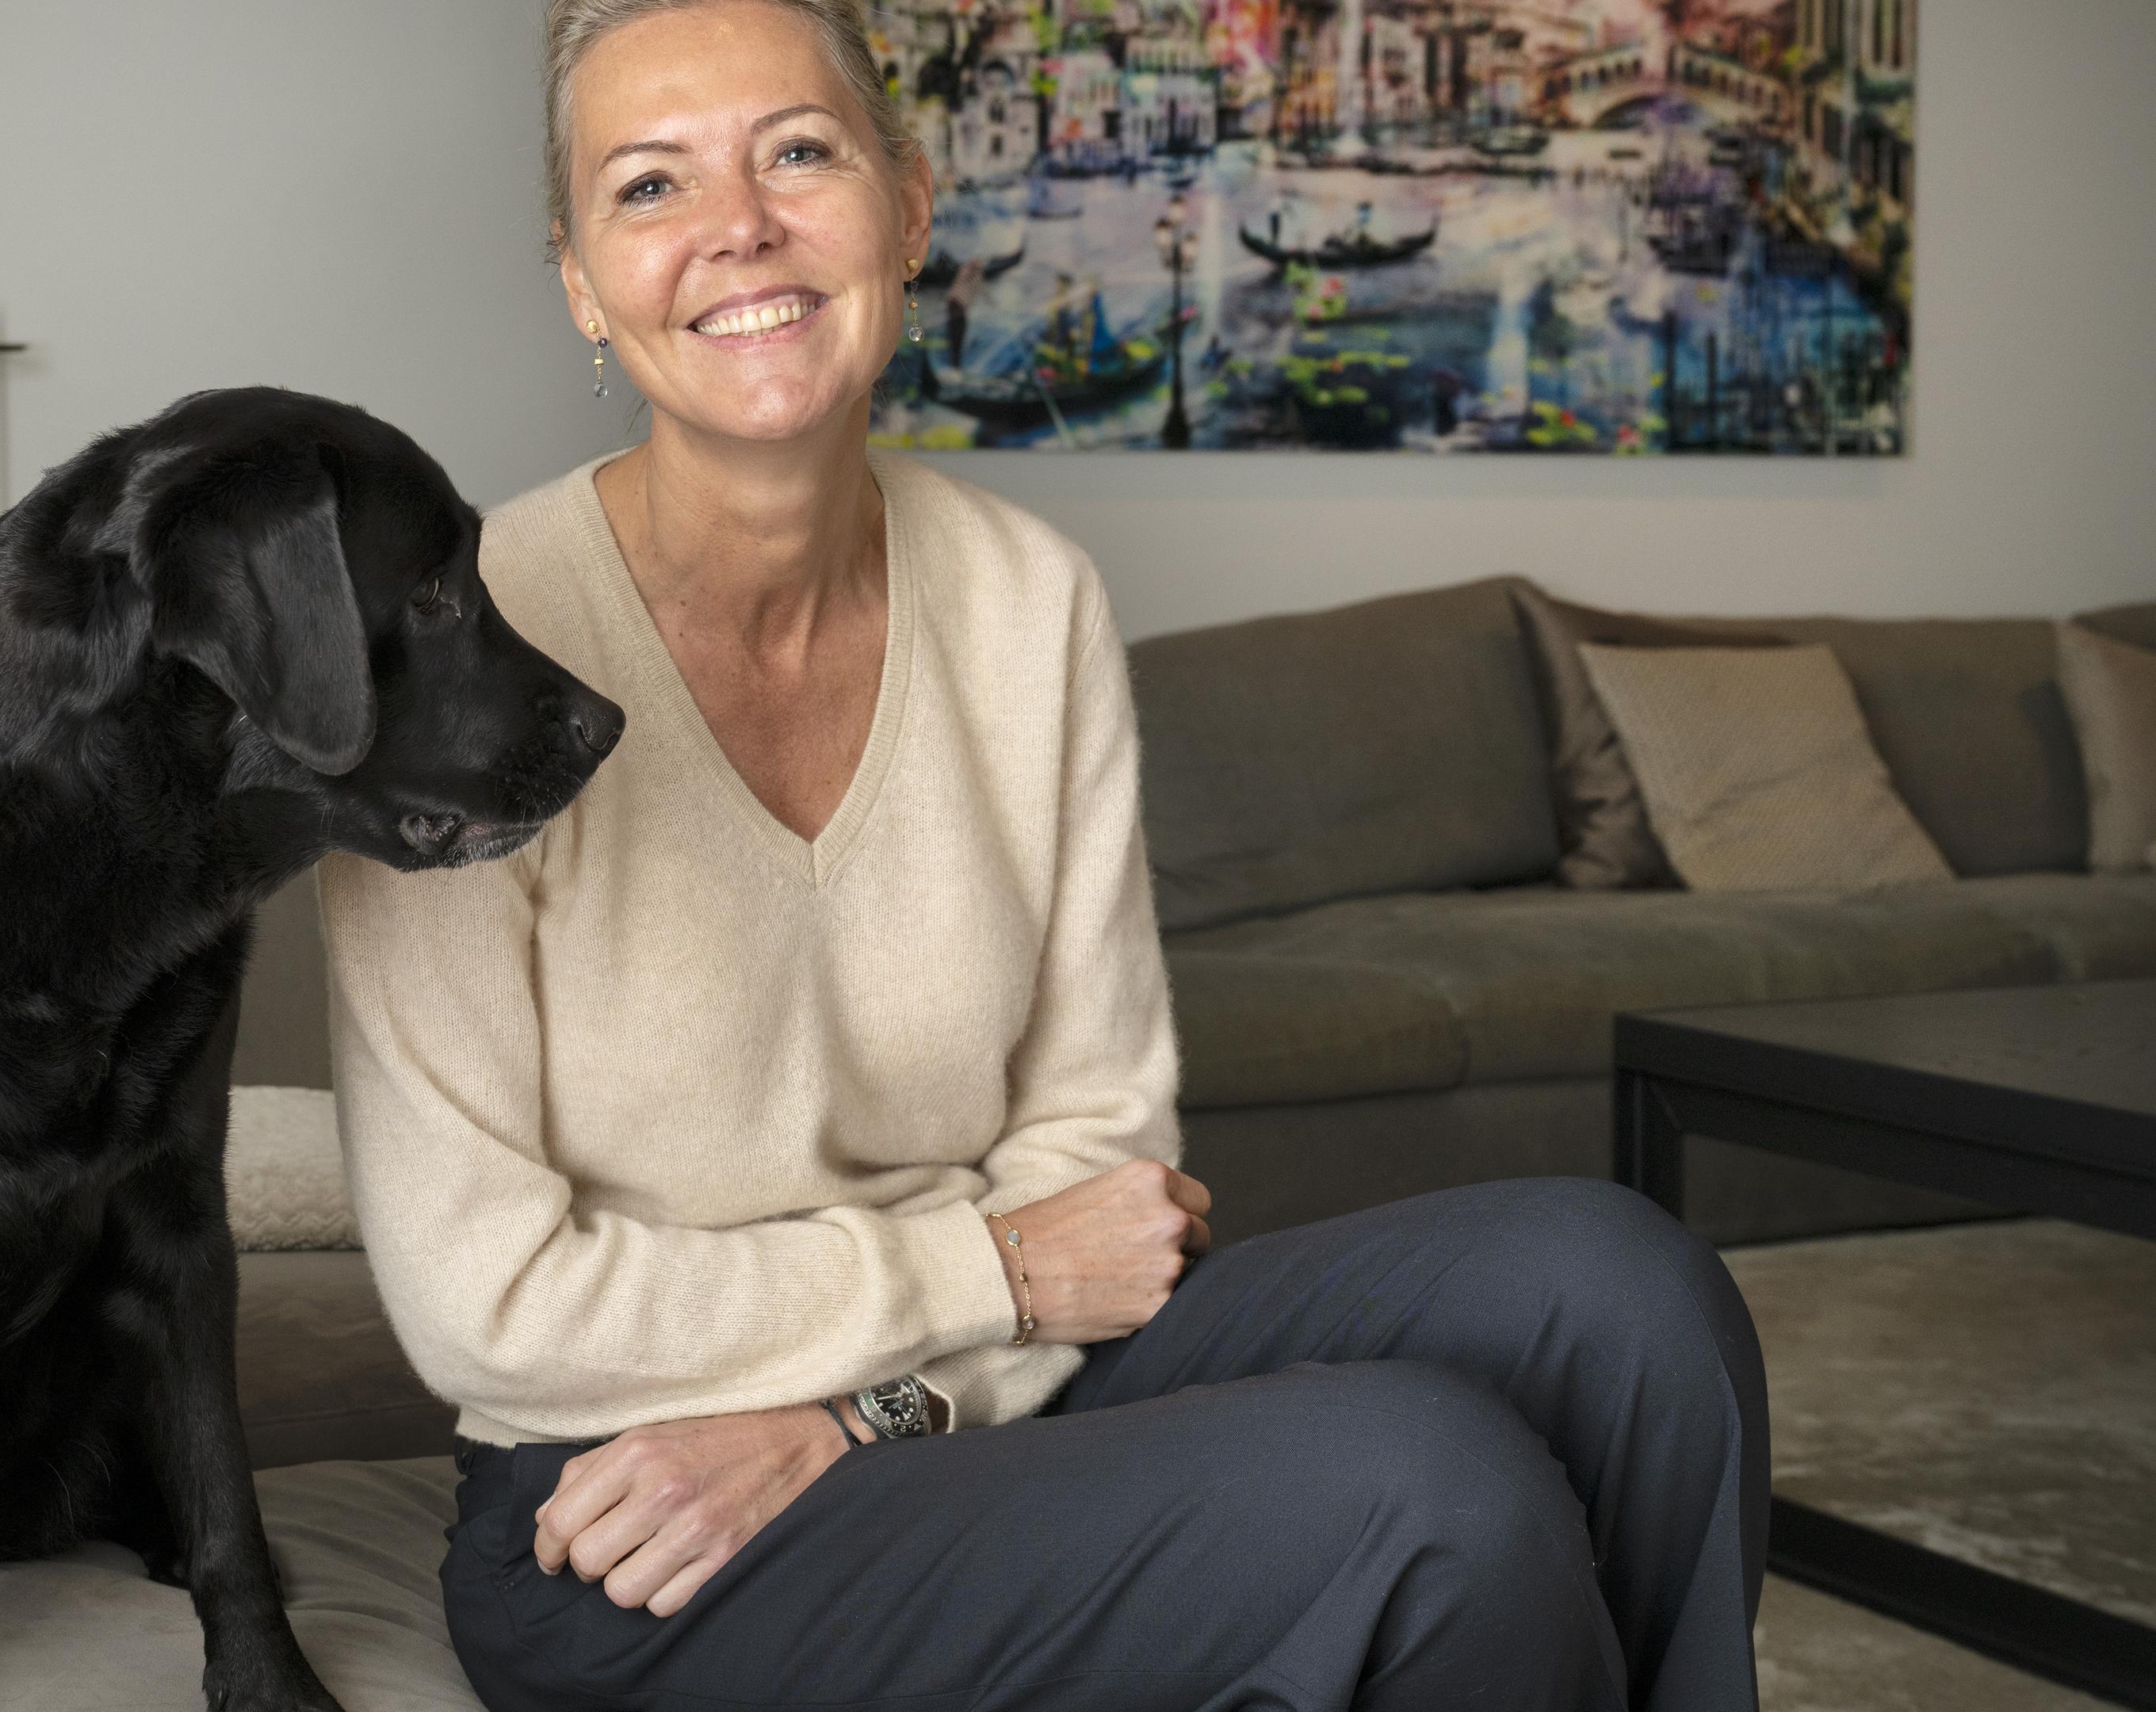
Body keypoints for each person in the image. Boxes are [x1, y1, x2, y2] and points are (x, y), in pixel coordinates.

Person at [318, 2, 1769, 1707]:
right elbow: (487, 1303)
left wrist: (871, 1408)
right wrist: (984, 1273)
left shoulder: (1030, 598)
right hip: (629, 1505)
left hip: (989, 1376)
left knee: (1627, 1294)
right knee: (1433, 1491)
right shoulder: (447, 665)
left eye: (799, 152)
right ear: (580, 278)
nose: (741, 227)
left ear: (906, 203)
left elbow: (1103, 1157)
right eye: (651, 186)